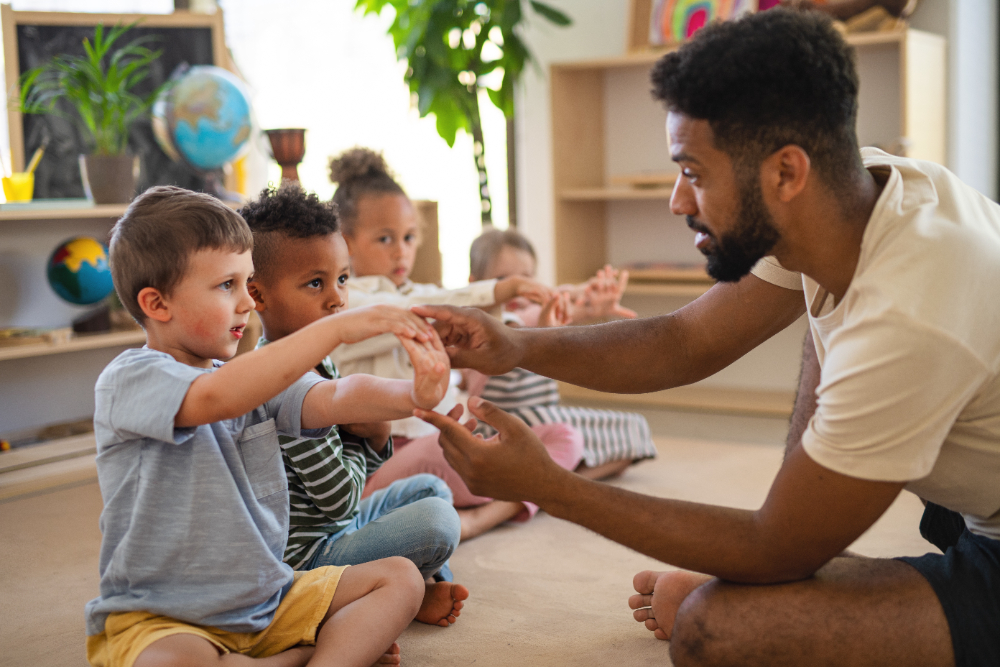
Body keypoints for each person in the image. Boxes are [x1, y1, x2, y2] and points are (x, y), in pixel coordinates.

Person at [410, 9, 1000, 667]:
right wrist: (516, 345)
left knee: (715, 629)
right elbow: (684, 341)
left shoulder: (909, 310)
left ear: (785, 172)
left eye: (693, 171)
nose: (677, 201)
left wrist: (549, 485)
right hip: (971, 511)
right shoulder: (853, 197)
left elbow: (774, 542)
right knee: (771, 556)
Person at [86, 185, 449, 667]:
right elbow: (214, 398)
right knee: (172, 662)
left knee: (399, 578)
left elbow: (336, 395)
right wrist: (337, 329)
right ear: (157, 303)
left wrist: (413, 396)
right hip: (166, 615)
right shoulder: (131, 379)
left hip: (269, 595)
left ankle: (304, 657)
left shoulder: (250, 380)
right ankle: (303, 654)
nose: (246, 303)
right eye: (226, 286)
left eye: (247, 282)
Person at [327, 147, 586, 540]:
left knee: (563, 436)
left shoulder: (418, 290)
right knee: (445, 450)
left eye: (409, 237)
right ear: (345, 243)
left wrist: (560, 307)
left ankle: (484, 517)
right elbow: (417, 310)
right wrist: (499, 289)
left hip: (448, 440)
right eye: (385, 238)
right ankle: (479, 501)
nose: (402, 251)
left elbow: (463, 305)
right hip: (387, 460)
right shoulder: (344, 302)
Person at [240, 184, 468, 625]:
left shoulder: (319, 360)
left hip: (336, 531)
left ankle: (405, 591)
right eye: (315, 283)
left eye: (342, 279)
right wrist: (375, 435)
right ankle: (376, 597)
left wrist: (368, 437)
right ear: (258, 296)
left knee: (431, 490)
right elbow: (342, 501)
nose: (337, 298)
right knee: (438, 521)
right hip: (308, 559)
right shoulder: (279, 382)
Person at [464, 227, 657, 479]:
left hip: (546, 424)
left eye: (526, 278)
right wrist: (581, 300)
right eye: (504, 280)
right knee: (565, 429)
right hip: (496, 429)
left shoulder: (539, 315)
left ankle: (566, 483)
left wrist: (580, 301)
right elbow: (525, 321)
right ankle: (552, 483)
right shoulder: (482, 325)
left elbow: (548, 306)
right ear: (474, 286)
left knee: (634, 427)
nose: (519, 289)